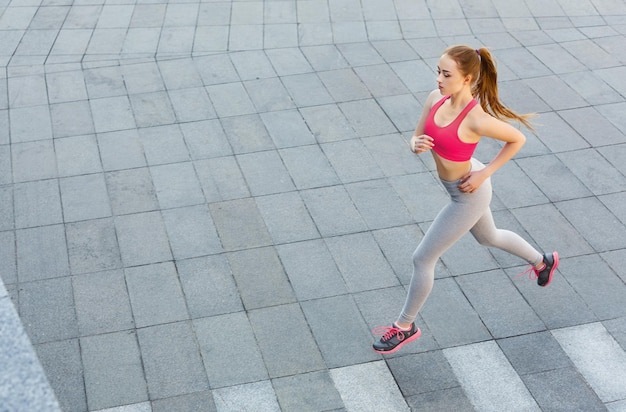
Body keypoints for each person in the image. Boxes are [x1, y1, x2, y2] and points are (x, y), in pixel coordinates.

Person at [372, 45, 559, 354]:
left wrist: (484, 174)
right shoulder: (435, 99)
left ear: (467, 78)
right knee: (490, 237)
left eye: (446, 74)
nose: (439, 79)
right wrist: (414, 144)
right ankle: (543, 262)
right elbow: (416, 137)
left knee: (422, 258)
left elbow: (517, 139)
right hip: (459, 185)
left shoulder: (476, 119)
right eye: (438, 71)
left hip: (467, 194)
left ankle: (404, 327)